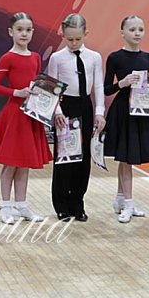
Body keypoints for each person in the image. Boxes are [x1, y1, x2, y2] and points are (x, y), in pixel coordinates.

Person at [0, 12, 50, 225]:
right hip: (14, 114)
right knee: (10, 163)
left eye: (28, 30)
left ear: (32, 32)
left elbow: (36, 84)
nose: (24, 34)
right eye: (20, 30)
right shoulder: (7, 57)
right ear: (11, 32)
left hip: (30, 114)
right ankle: (5, 206)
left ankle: (21, 204)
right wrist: (16, 92)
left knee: (24, 163)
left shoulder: (35, 57)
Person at [46, 13, 105, 222]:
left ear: (85, 33)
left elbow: (98, 86)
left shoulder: (94, 57)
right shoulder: (57, 58)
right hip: (65, 107)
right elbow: (52, 87)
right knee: (64, 157)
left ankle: (77, 202)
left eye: (77, 39)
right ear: (63, 35)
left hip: (85, 105)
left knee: (83, 158)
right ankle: (61, 204)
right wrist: (58, 113)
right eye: (69, 39)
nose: (73, 43)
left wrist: (99, 112)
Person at [102, 15, 149, 223]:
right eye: (132, 29)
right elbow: (106, 88)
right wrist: (122, 83)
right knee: (126, 159)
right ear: (122, 32)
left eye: (140, 29)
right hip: (122, 111)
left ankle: (121, 199)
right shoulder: (115, 57)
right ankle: (128, 203)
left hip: (140, 112)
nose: (137, 33)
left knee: (129, 158)